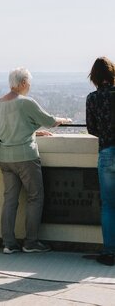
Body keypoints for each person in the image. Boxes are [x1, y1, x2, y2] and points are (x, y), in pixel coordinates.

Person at [0, 67, 71, 254]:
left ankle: (8, 243)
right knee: (35, 197)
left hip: (5, 157)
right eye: (28, 82)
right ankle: (31, 242)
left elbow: (8, 128)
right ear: (22, 83)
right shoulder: (25, 102)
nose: (29, 86)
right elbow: (49, 120)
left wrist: (33, 131)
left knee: (10, 200)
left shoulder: (0, 103)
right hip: (25, 156)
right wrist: (64, 119)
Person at [86, 56, 115, 266]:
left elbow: (91, 129)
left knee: (108, 206)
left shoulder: (92, 98)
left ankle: (109, 252)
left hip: (106, 152)